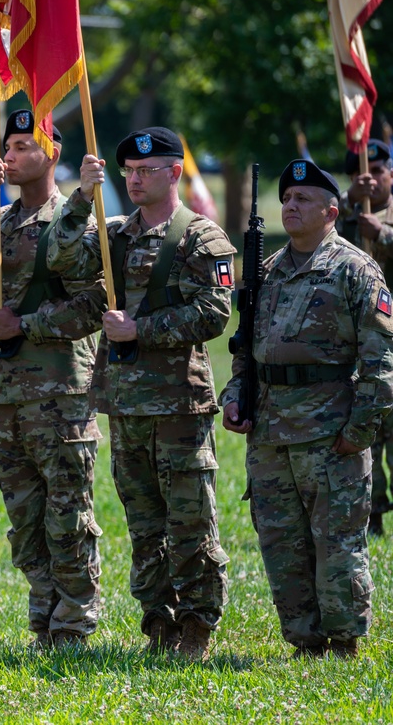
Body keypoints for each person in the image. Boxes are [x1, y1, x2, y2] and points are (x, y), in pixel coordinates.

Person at [47, 127, 234, 661]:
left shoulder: (201, 238)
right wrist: (81, 198)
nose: (134, 178)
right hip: (126, 404)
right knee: (144, 523)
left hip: (179, 405)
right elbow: (60, 257)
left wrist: (140, 330)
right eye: (128, 170)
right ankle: (158, 621)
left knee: (190, 519)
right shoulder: (113, 236)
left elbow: (214, 313)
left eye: (147, 170)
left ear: (174, 172)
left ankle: (197, 624)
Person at [0, 109, 104, 648]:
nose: (9, 156)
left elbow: (95, 306)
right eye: (5, 146)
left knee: (68, 517)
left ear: (51, 153)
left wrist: (26, 323)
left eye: (23, 146)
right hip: (5, 393)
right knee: (26, 522)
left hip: (59, 394)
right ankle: (43, 620)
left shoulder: (77, 219)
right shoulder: (0, 221)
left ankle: (73, 626)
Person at [222, 159, 392, 659]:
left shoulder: (356, 269)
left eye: (303, 200)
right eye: (287, 199)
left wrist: (360, 431)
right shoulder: (268, 269)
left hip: (329, 429)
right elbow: (243, 350)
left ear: (331, 211)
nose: (290, 206)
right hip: (271, 432)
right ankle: (304, 640)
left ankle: (343, 642)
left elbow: (380, 361)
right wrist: (235, 399)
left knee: (336, 543)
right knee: (282, 542)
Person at [336, 138, 393, 535]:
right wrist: (348, 202)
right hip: (357, 342)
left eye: (378, 172)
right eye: (361, 175)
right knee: (365, 429)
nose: (370, 180)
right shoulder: (339, 213)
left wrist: (384, 234)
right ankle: (370, 515)